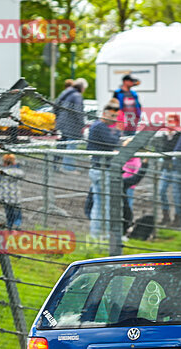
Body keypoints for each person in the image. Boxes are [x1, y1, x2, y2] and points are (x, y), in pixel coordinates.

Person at [85, 100, 121, 241]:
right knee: (102, 204)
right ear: (105, 114)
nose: (114, 119)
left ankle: (99, 234)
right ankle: (101, 234)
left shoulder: (97, 126)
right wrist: (118, 132)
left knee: (100, 203)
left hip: (98, 168)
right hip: (101, 169)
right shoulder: (101, 126)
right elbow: (111, 142)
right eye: (112, 116)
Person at [153, 114, 181, 226]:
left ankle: (178, 217)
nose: (169, 124)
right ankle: (166, 215)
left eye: (171, 121)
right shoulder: (165, 135)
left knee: (176, 193)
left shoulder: (179, 135)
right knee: (162, 190)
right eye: (167, 121)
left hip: (176, 167)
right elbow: (163, 149)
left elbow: (175, 148)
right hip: (166, 166)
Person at [55, 77, 87, 172]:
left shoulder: (65, 93)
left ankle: (56, 166)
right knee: (71, 146)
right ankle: (68, 168)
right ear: (82, 87)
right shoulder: (77, 96)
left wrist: (58, 119)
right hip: (72, 125)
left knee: (62, 145)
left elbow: (56, 106)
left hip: (62, 123)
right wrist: (82, 124)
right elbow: (78, 111)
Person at [0, 153, 24, 230]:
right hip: (16, 197)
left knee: (9, 214)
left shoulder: (3, 172)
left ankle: (10, 227)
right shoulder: (18, 172)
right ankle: (17, 226)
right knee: (17, 213)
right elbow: (21, 174)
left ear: (4, 163)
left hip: (6, 198)